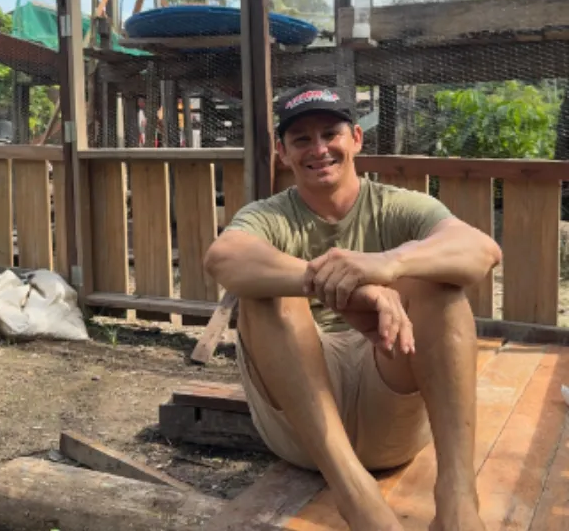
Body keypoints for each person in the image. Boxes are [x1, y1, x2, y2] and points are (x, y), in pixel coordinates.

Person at [203, 84, 501, 531]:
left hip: (390, 409)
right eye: (302, 139)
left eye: (331, 134)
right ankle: (357, 498)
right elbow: (222, 258)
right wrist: (354, 291)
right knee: (264, 294)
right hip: (302, 428)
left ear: (356, 139)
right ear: (284, 154)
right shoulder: (268, 215)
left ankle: (458, 498)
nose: (318, 148)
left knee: (443, 288)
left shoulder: (397, 206)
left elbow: (481, 250)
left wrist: (387, 264)